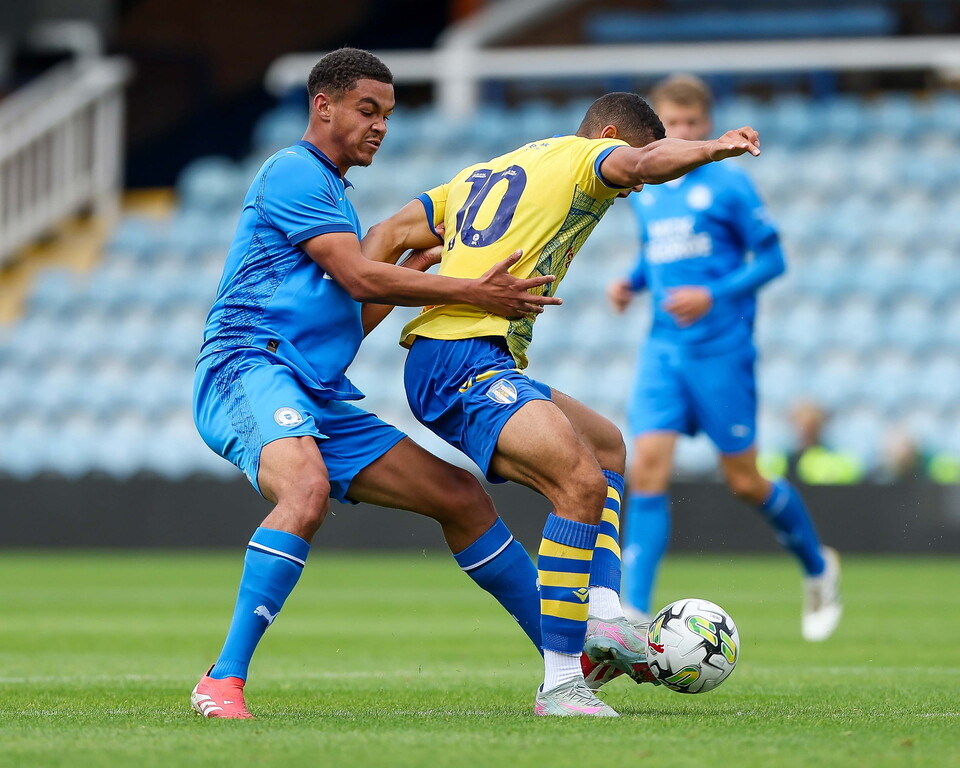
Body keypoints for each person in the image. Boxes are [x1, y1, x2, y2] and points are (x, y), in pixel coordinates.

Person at [189, 48, 566, 719]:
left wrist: (415, 274)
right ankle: (222, 680)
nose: (380, 126)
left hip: (314, 389)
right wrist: (469, 289)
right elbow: (361, 277)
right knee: (304, 490)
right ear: (323, 106)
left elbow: (348, 318)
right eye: (368, 110)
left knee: (461, 496)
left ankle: (569, 662)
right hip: (249, 366)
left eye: (387, 115)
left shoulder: (333, 193)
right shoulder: (293, 173)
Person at [364, 90, 763, 716]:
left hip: (471, 356)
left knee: (606, 445)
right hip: (458, 358)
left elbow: (386, 234)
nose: (628, 191)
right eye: (628, 161)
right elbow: (638, 166)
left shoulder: (489, 171)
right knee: (578, 482)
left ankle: (605, 617)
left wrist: (348, 325)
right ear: (607, 135)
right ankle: (561, 684)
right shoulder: (587, 159)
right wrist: (712, 147)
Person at [606, 74, 842, 642]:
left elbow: (773, 261)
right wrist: (631, 282)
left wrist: (714, 294)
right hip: (664, 350)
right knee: (648, 470)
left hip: (722, 351)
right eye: (672, 125)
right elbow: (657, 253)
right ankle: (636, 612)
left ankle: (818, 567)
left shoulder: (730, 186)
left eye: (691, 124)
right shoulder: (650, 190)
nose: (682, 133)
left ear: (706, 127)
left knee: (744, 481)